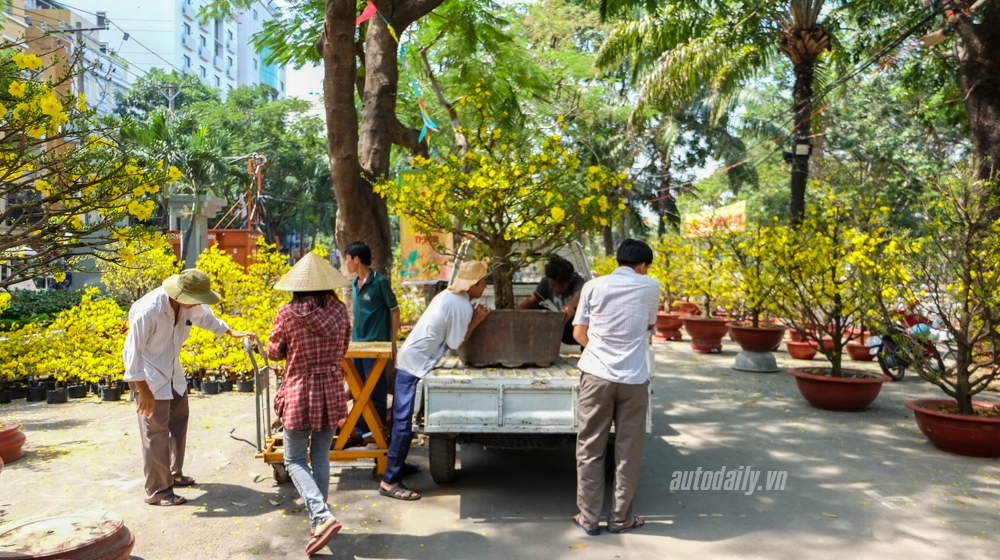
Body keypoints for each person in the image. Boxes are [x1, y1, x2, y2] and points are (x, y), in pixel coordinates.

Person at [122, 269, 250, 507]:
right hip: (147, 375)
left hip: (172, 370)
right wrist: (143, 390)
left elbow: (206, 318)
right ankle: (158, 491)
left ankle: (174, 473)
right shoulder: (148, 310)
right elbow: (131, 352)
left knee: (179, 421)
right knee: (156, 433)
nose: (198, 304)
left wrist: (229, 331)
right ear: (179, 294)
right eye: (195, 300)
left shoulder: (190, 303)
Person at [379, 261, 492, 501]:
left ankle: (395, 469)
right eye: (483, 282)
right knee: (404, 424)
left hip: (414, 361)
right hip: (414, 364)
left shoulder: (451, 297)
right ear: (472, 284)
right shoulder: (461, 306)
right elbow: (454, 344)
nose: (485, 286)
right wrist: (477, 320)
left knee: (404, 423)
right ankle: (389, 481)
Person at [571, 239, 660, 535]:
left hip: (596, 376)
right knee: (628, 452)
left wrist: (598, 349)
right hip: (633, 380)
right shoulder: (650, 286)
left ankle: (589, 518)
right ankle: (621, 519)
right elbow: (649, 324)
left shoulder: (593, 287)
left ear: (618, 260)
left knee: (590, 448)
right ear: (643, 265)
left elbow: (579, 332)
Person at [266, 252, 353, 556]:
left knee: (293, 459)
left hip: (300, 391)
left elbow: (274, 352)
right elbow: (344, 347)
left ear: (298, 286)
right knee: (321, 456)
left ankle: (321, 516)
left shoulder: (288, 313)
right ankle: (320, 520)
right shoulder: (341, 312)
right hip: (330, 389)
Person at [343, 241, 399, 438]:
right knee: (357, 388)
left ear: (357, 259)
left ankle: (379, 430)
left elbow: (394, 310)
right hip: (357, 345)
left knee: (375, 388)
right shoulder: (353, 284)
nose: (346, 263)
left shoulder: (380, 282)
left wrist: (393, 343)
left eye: (347, 259)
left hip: (376, 346)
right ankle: (361, 429)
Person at [516, 256, 586, 345]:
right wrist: (515, 311)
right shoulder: (545, 281)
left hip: (578, 327)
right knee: (535, 308)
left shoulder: (580, 279)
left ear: (570, 280)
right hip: (558, 328)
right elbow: (532, 301)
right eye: (552, 285)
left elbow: (579, 294)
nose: (556, 289)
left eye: (560, 286)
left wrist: (569, 305)